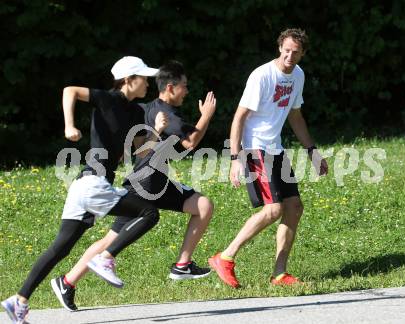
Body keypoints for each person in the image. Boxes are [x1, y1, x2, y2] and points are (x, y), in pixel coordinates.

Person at [1, 56, 166, 323]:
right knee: (150, 213)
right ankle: (105, 258)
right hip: (92, 184)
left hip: (85, 186)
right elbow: (70, 91)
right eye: (144, 78)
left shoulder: (136, 113)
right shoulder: (107, 98)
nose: (148, 83)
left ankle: (18, 300)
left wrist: (156, 131)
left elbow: (140, 150)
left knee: (60, 248)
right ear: (128, 80)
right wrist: (69, 125)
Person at [50, 60, 216, 311]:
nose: (187, 91)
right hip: (146, 184)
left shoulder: (152, 108)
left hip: (156, 181)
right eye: (184, 86)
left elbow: (140, 146)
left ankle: (182, 265)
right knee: (109, 241)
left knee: (203, 204)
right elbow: (190, 142)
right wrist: (206, 116)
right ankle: (70, 280)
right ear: (170, 87)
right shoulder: (165, 113)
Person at [208, 28, 328, 288]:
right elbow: (239, 117)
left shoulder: (298, 75)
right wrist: (235, 158)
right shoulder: (261, 75)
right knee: (273, 209)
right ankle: (225, 257)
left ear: (302, 54)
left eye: (295, 52)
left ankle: (280, 273)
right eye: (286, 50)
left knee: (294, 207)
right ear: (279, 48)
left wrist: (313, 152)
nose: (289, 56)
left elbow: (295, 116)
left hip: (275, 149)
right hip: (254, 148)